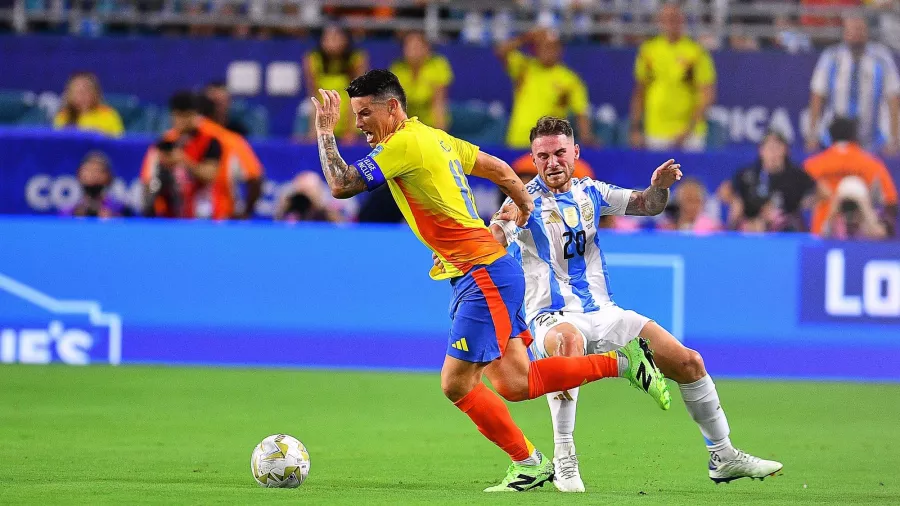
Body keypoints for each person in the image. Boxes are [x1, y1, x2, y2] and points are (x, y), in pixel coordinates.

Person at [310, 70, 670, 492]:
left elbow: (339, 184)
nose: (359, 124)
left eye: (365, 112)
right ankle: (536, 459)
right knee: (514, 384)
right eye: (354, 115)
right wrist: (523, 202)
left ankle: (618, 368)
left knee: (456, 383)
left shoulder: (403, 142)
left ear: (393, 108)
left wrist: (323, 132)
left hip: (483, 275)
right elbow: (498, 168)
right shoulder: (436, 138)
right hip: (489, 272)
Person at [490, 116, 783, 492]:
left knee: (689, 362)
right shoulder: (522, 200)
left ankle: (723, 455)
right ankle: (564, 459)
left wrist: (658, 188)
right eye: (543, 156)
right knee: (568, 346)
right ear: (533, 159)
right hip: (551, 315)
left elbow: (648, 205)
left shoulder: (591, 192)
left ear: (575, 152)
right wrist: (490, 237)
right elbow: (497, 232)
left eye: (560, 152)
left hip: (605, 313)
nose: (552, 162)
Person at [140, 92, 263, 220]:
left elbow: (253, 178)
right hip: (173, 221)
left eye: (187, 115)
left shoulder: (219, 141)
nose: (183, 121)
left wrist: (246, 213)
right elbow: (148, 182)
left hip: (216, 221)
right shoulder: (164, 144)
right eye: (179, 115)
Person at [807, 16, 900, 156]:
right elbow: (817, 95)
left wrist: (894, 138)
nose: (857, 34)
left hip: (872, 138)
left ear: (867, 32)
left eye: (860, 29)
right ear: (844, 33)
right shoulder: (831, 57)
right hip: (835, 136)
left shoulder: (882, 57)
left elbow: (893, 98)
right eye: (852, 30)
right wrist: (812, 135)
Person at [629, 4, 716, 152]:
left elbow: (707, 96)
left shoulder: (696, 52)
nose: (671, 23)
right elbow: (639, 92)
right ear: (659, 21)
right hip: (656, 130)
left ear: (682, 21)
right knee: (658, 175)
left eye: (675, 18)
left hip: (689, 135)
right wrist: (635, 128)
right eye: (666, 19)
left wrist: (688, 130)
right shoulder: (648, 51)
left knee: (689, 175)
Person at [495, 29, 596, 149]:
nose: (547, 51)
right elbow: (501, 51)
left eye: (551, 47)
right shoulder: (525, 67)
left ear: (559, 50)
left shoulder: (570, 80)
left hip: (547, 146)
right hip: (517, 141)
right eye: (542, 46)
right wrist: (526, 38)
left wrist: (586, 137)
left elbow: (580, 112)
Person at [805, 117, 898, 237]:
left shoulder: (812, 166)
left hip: (821, 236)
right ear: (854, 137)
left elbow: (800, 203)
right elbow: (890, 202)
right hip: (862, 239)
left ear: (830, 136)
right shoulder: (872, 165)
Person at [724, 130, 827, 232]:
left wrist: (808, 202)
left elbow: (824, 192)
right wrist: (735, 201)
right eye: (769, 148)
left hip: (785, 225)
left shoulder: (797, 174)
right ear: (761, 150)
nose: (773, 152)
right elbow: (724, 191)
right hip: (751, 224)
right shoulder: (748, 173)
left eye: (777, 148)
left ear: (785, 150)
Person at [303, 24, 368, 143]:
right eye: (328, 37)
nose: (332, 41)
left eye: (336, 37)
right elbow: (313, 95)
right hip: (323, 122)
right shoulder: (313, 59)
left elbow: (357, 97)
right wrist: (314, 130)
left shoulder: (357, 58)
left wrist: (350, 131)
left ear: (345, 39)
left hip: (350, 123)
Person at [389, 31, 453, 132]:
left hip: (430, 125)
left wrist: (440, 135)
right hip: (406, 126)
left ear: (426, 49)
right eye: (408, 47)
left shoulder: (438, 65)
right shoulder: (397, 68)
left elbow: (438, 103)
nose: (411, 51)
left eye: (416, 47)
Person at [53, 72, 124, 138]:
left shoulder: (108, 114)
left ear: (95, 93)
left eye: (85, 91)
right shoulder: (63, 117)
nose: (82, 96)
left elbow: (118, 142)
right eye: (77, 92)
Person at [61, 150, 130, 218]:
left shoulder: (120, 210)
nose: (93, 175)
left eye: (98, 170)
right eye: (88, 170)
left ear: (109, 177)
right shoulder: (69, 212)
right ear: (78, 175)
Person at [822, 175, 889, 240]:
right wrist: (832, 212)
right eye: (847, 205)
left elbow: (880, 236)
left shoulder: (870, 219)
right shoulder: (837, 221)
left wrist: (864, 205)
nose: (851, 209)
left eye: (855, 204)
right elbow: (824, 235)